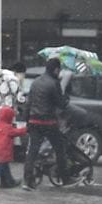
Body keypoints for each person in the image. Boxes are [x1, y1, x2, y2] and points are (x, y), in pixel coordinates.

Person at [23, 57, 71, 190]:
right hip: (48, 122)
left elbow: (28, 103)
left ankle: (28, 180)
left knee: (32, 151)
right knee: (59, 148)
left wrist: (27, 120)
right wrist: (66, 96)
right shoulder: (54, 83)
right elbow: (61, 104)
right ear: (56, 70)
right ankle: (64, 177)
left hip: (34, 121)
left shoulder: (36, 82)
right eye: (59, 70)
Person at [0, 105, 28, 188]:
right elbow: (18, 132)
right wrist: (27, 129)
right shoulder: (7, 128)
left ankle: (9, 181)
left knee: (4, 166)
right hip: (4, 151)